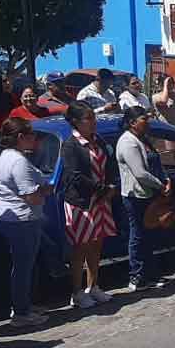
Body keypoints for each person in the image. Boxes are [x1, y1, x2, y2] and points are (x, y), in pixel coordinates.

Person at [0, 117, 51, 327]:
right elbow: (31, 196)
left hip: (13, 217)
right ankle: (21, 312)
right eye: (31, 135)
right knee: (23, 267)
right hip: (22, 219)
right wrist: (46, 190)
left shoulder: (2, 157)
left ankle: (24, 304)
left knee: (24, 265)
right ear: (20, 137)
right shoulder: (18, 162)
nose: (34, 139)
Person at [59, 101, 120, 309]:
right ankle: (76, 291)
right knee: (80, 247)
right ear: (76, 122)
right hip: (82, 203)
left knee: (97, 243)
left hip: (101, 200)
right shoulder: (70, 146)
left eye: (94, 117)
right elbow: (75, 175)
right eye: (88, 119)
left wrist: (111, 185)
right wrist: (100, 189)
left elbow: (110, 163)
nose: (93, 122)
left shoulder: (98, 141)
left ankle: (93, 286)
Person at [116, 106, 170, 291]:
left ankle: (150, 273)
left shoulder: (143, 139)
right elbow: (140, 173)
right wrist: (160, 186)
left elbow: (155, 161)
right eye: (143, 119)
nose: (147, 122)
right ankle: (137, 275)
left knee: (148, 236)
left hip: (150, 194)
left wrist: (166, 179)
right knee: (138, 234)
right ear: (132, 123)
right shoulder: (128, 143)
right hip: (137, 195)